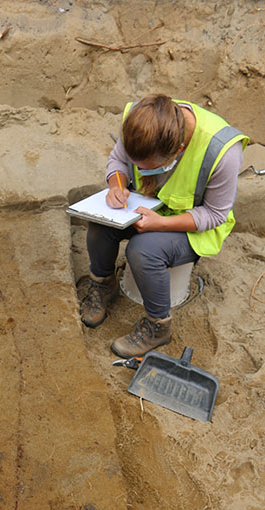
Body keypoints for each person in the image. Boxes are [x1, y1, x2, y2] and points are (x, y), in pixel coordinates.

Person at [79, 94, 249, 358]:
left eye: (148, 168)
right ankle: (103, 284)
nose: (141, 172)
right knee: (101, 226)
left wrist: (161, 224)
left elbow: (214, 214)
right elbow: (117, 161)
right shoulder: (140, 122)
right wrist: (118, 184)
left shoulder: (222, 152)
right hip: (148, 206)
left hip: (194, 225)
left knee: (143, 250)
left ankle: (158, 326)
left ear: (178, 151)